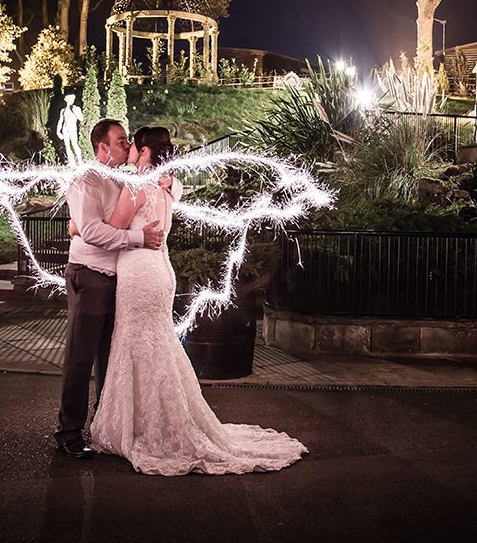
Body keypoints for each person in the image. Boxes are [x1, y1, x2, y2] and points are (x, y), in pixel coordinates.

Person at [85, 126, 308, 475]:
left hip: (139, 271)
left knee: (135, 344)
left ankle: (138, 427)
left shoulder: (136, 187)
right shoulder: (165, 188)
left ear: (144, 152)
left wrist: (77, 225)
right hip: (161, 272)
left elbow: (112, 229)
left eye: (133, 144)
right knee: (157, 346)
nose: (127, 148)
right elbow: (174, 188)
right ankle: (164, 420)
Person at [54, 119, 164, 458]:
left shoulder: (124, 180)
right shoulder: (86, 181)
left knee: (110, 357)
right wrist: (137, 238)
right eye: (120, 141)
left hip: (120, 280)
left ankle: (103, 427)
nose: (125, 144)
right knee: (80, 357)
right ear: (102, 148)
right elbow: (92, 232)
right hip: (89, 275)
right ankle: (69, 431)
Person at [56, 92, 83, 166]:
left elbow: (81, 118)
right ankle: (72, 162)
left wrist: (74, 111)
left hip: (72, 128)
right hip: (65, 129)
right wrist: (58, 131)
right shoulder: (63, 110)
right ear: (66, 100)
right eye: (70, 99)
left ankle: (80, 161)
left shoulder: (76, 108)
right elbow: (60, 121)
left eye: (72, 99)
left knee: (74, 144)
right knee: (67, 146)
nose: (71, 100)